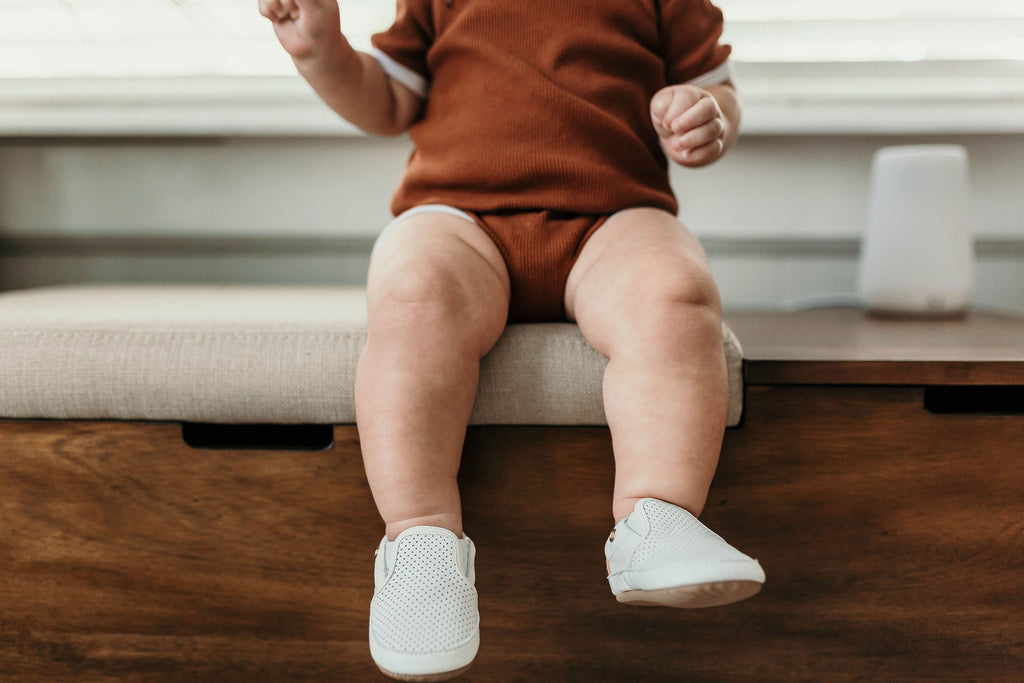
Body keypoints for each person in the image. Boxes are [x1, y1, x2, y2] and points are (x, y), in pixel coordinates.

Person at [259, 0, 766, 679]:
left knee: (676, 291)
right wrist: (322, 52)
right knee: (413, 297)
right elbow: (387, 100)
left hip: (613, 216)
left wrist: (706, 111)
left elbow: (719, 87)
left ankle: (659, 517)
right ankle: (421, 542)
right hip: (461, 215)